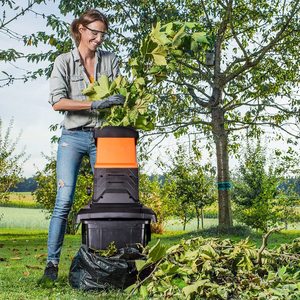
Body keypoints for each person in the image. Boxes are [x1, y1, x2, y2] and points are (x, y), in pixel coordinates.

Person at [40, 9, 124, 282]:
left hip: (104, 137)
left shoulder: (110, 61)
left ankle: (98, 262)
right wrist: (93, 104)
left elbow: (120, 91)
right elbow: (57, 102)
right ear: (80, 29)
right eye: (94, 32)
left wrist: (122, 98)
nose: (99, 38)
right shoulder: (63, 61)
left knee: (106, 201)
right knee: (63, 202)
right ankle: (51, 266)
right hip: (72, 138)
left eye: (103, 34)